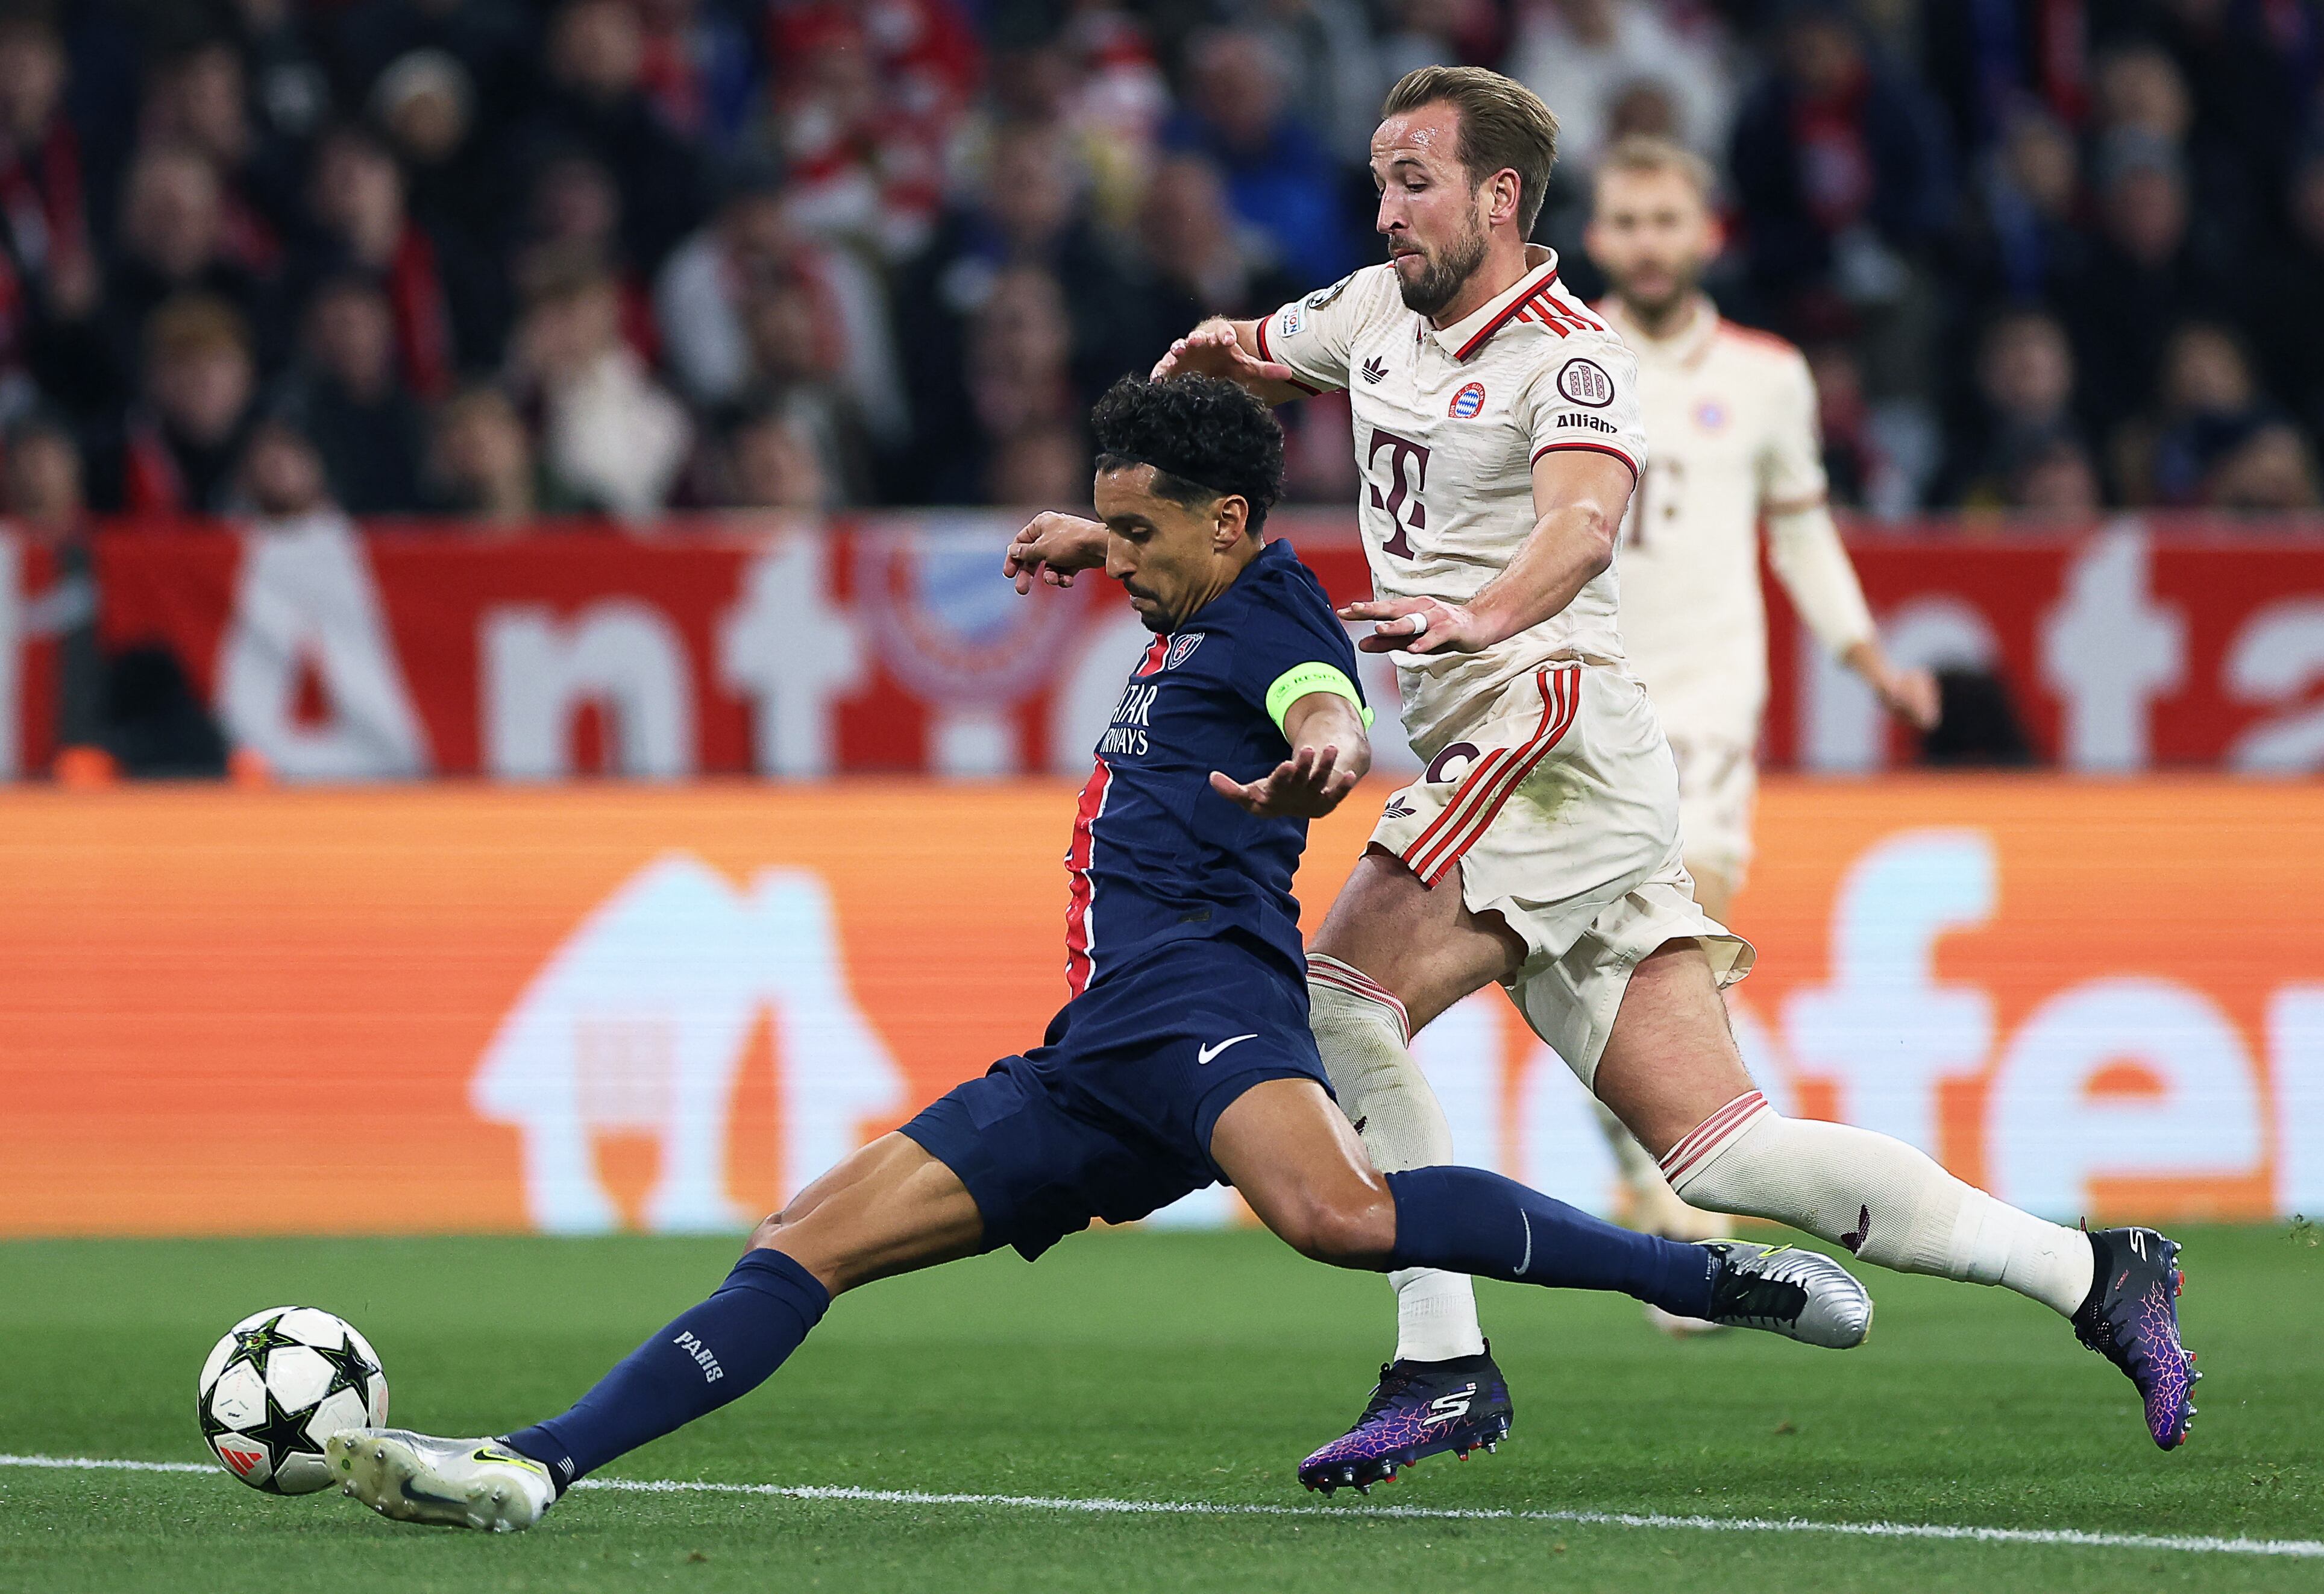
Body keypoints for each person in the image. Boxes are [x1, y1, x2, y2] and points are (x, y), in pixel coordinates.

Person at [319, 374, 1871, 1533]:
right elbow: (1170, 550)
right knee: (807, 1233)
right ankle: (534, 1463)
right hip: (1097, 1050)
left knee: (1338, 1216)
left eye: (1142, 532)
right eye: (1106, 526)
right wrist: (1087, 532)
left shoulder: (1275, 632)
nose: (1118, 560)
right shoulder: (1199, 589)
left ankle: (1706, 1271)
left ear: (1230, 523)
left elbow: (1321, 706)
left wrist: (1327, 755)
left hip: (1206, 999)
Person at [1097, 66, 2193, 1492]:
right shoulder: (1373, 310)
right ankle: (2095, 1268)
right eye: (1378, 178)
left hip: (1543, 730)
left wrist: (1482, 614)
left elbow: (1585, 520)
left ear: (1499, 197)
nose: (1386, 208)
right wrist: (1191, 376)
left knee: (1339, 1001)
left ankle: (1443, 1362)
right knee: (1721, 1149)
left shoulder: (1573, 358)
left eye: (1413, 180)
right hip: (1559, 770)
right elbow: (1249, 346)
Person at [1580, 134, 1940, 1323]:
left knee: (1678, 944)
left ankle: (1692, 1222)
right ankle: (1668, 1176)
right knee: (1583, 963)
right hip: (1580, 697)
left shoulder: (1770, 374)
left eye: (1663, 219)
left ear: (1707, 233)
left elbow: (1801, 531)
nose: (1645, 241)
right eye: (1626, 220)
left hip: (1707, 707)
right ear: (1597, 236)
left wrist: (1867, 654)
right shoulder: (1556, 354)